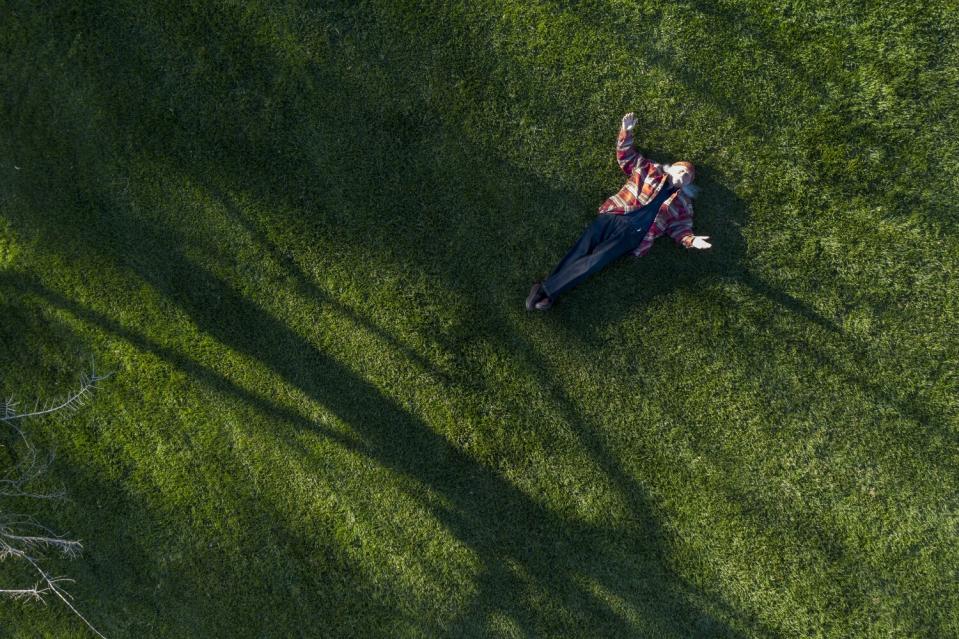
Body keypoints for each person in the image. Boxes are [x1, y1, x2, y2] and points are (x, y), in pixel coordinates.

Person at [526, 112, 712, 311]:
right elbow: (626, 156)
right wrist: (627, 131)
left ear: (689, 184)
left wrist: (692, 240)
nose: (684, 175)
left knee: (593, 262)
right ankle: (547, 293)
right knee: (580, 250)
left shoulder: (683, 204)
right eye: (682, 170)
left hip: (632, 236)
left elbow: (680, 229)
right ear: (672, 169)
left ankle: (545, 290)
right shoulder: (649, 169)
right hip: (614, 214)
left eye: (689, 177)